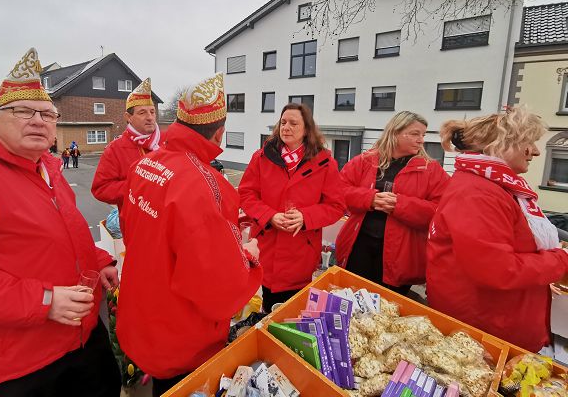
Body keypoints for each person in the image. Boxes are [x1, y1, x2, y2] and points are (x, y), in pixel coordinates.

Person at [0, 48, 121, 396]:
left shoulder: (47, 168)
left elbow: (66, 231)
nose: (38, 121)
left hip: (77, 339)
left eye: (48, 114)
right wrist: (43, 301)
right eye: (22, 111)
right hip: (8, 364)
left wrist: (99, 260)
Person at [116, 73, 262, 397]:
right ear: (219, 131)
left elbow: (131, 231)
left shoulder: (144, 164)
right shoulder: (207, 185)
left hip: (145, 314)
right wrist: (248, 255)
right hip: (181, 335)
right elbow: (217, 284)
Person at [427, 107, 568, 352]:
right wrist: (560, 260)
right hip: (485, 330)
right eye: (529, 142)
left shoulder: (492, 186)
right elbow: (498, 270)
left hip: (493, 322)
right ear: (501, 144)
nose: (535, 151)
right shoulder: (478, 193)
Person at [239, 103, 345, 312]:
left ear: (306, 129)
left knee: (293, 310)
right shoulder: (261, 157)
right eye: (283, 122)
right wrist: (270, 215)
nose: (286, 127)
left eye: (293, 123)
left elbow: (336, 206)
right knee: (268, 304)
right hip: (266, 246)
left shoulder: (325, 163)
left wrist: (306, 217)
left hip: (301, 252)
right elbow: (246, 194)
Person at [335, 111, 449, 295]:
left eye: (423, 134)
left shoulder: (431, 170)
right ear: (395, 132)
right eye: (415, 134)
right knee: (353, 298)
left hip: (401, 253)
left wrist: (400, 205)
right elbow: (338, 191)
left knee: (389, 304)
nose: (421, 140)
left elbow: (442, 211)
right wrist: (369, 199)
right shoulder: (365, 161)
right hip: (359, 245)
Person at [92, 78, 160, 211]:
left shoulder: (166, 141)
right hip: (135, 221)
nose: (150, 117)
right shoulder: (115, 149)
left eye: (152, 112)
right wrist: (140, 186)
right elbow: (101, 189)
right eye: (142, 112)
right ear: (128, 117)